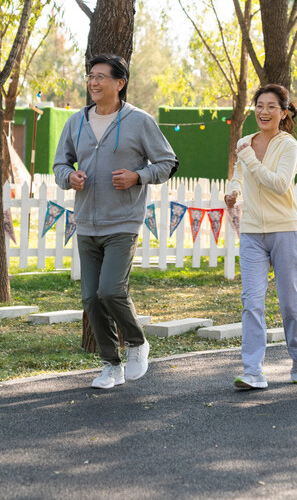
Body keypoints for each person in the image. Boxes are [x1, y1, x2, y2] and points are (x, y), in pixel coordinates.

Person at [53, 53, 179, 389]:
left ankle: (137, 342)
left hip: (123, 222)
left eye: (101, 77)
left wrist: (138, 176)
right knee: (91, 299)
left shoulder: (139, 121)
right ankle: (111, 365)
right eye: (90, 76)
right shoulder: (76, 122)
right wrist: (70, 178)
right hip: (86, 223)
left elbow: (167, 162)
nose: (93, 82)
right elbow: (59, 165)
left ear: (119, 83)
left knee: (110, 290)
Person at [224, 84, 297, 390]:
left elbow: (278, 183)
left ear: (284, 112)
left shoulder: (288, 145)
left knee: (289, 300)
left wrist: (248, 161)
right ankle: (252, 370)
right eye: (259, 105)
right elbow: (239, 174)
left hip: (284, 229)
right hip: (250, 232)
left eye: (271, 106)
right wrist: (233, 190)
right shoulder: (245, 142)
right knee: (251, 302)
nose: (263, 111)